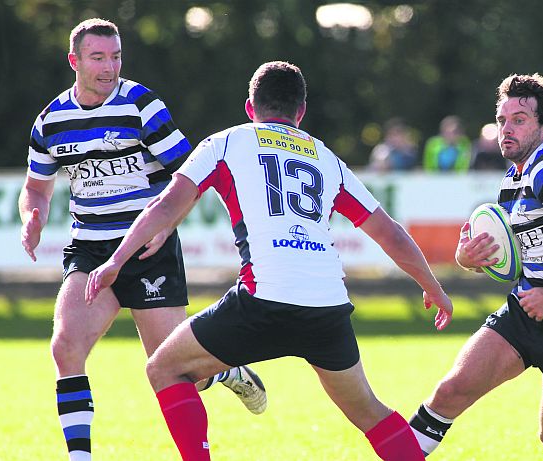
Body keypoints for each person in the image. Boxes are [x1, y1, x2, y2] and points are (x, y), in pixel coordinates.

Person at [85, 61, 454, 461]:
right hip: (326, 305)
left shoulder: (227, 142)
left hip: (265, 298)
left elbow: (168, 201)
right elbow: (391, 233)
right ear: (301, 113)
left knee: (164, 369)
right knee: (370, 411)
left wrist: (116, 260)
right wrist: (434, 288)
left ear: (250, 107)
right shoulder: (325, 158)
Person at [19, 18, 266, 461]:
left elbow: (188, 175)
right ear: (74, 61)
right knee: (66, 345)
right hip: (91, 250)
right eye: (98, 57)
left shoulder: (142, 106)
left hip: (147, 249)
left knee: (172, 367)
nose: (109, 67)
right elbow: (37, 186)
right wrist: (31, 216)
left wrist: (166, 225)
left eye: (115, 57)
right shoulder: (52, 119)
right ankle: (80, 457)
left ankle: (226, 374)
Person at [409, 73, 543, 460]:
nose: (506, 129)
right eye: (502, 119)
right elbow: (504, 255)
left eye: (519, 120)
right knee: (450, 393)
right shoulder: (512, 180)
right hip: (525, 313)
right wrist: (467, 257)